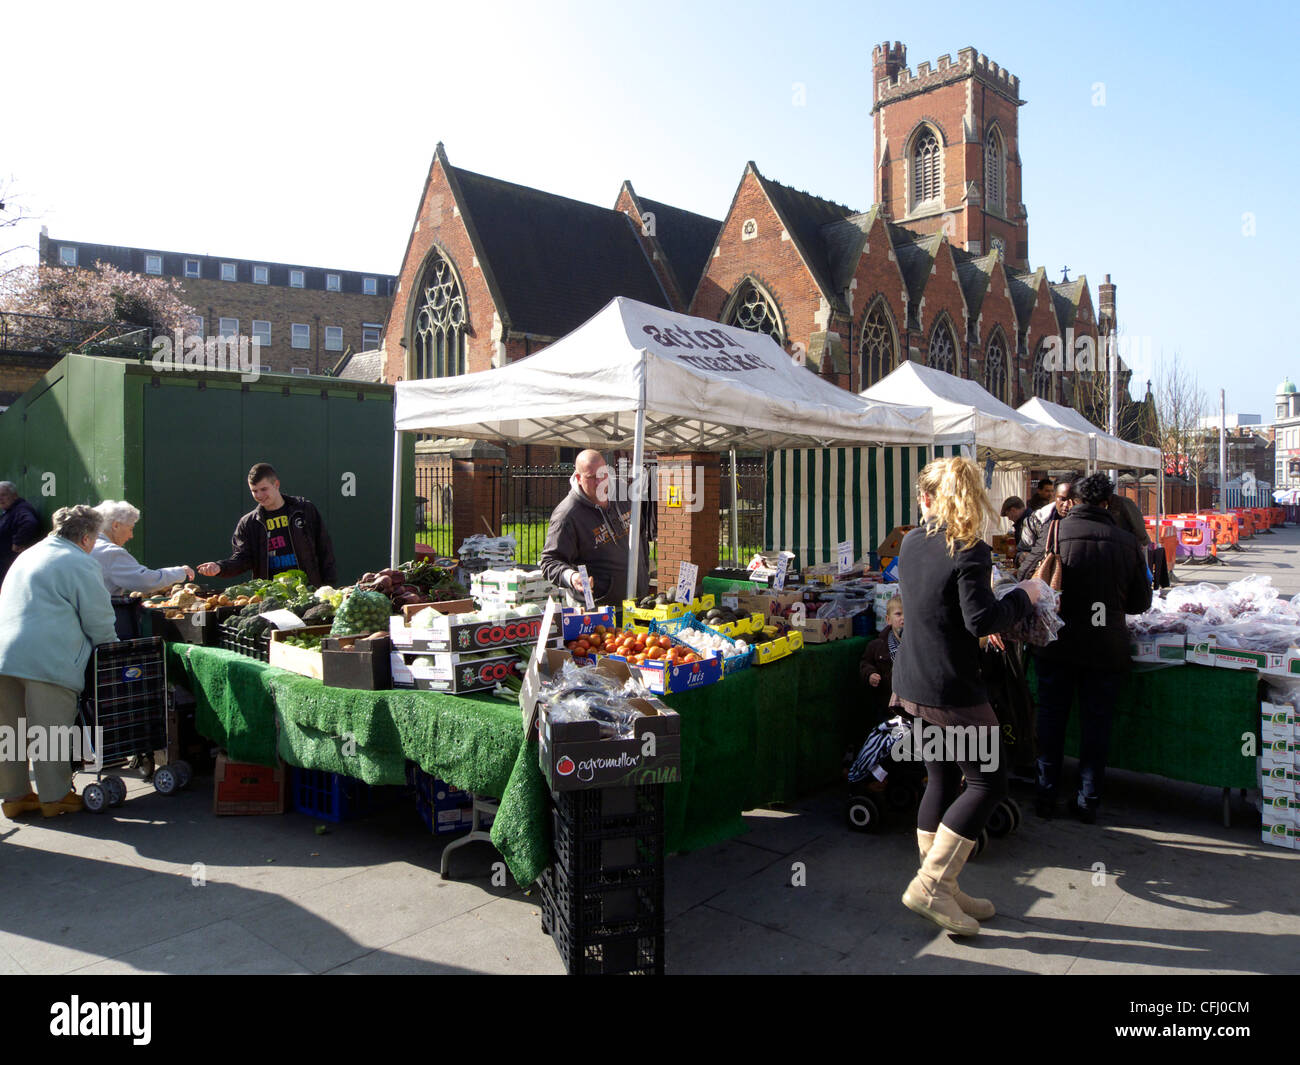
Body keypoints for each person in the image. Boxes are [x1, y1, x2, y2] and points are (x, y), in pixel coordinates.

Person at [891, 457, 1040, 937]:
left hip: (913, 683)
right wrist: (1025, 595)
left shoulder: (912, 540)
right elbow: (980, 621)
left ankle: (943, 887)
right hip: (951, 689)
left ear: (931, 497)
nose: (919, 500)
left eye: (922, 493)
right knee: (986, 783)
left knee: (939, 779)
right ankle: (934, 883)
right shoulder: (968, 549)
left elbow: (943, 610)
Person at [1033, 472, 1153, 823]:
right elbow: (1139, 602)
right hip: (1105, 650)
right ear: (1107, 504)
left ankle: (1045, 797)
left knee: (1051, 721)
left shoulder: (1055, 532)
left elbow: (1030, 579)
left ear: (1077, 501)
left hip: (1056, 646)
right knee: (1096, 727)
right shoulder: (1127, 542)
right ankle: (1088, 801)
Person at [0, 505, 118, 819]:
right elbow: (98, 618)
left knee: (10, 731)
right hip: (48, 658)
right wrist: (113, 648)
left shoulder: (29, 555)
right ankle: (54, 797)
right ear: (85, 537)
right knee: (49, 730)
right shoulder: (78, 561)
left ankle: (14, 796)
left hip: (5, 655)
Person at [539, 449, 650, 608]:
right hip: (599, 608)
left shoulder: (623, 492)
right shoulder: (567, 515)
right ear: (578, 478)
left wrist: (644, 570)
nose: (599, 483)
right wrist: (571, 577)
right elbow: (549, 561)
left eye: (602, 475)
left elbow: (640, 533)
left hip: (637, 602)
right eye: (591, 478)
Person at [197, 464, 335, 587]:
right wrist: (219, 567)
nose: (259, 495)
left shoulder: (304, 510)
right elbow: (242, 559)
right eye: (254, 491)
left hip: (308, 590)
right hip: (270, 594)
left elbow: (324, 549)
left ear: (276, 484)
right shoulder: (248, 523)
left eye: (264, 489)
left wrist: (328, 587)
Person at [92, 500, 194, 595]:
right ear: (116, 526)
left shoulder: (86, 545)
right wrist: (180, 572)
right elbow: (145, 582)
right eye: (131, 529)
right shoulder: (110, 552)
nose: (131, 536)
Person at [1016, 478, 1077, 579]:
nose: (1066, 505)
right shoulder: (1036, 520)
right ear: (1055, 497)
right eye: (1062, 499)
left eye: (1072, 500)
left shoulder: (1086, 525)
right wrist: (1022, 556)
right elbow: (1022, 551)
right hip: (1042, 580)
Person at [860, 595, 903, 722]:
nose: (903, 618)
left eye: (907, 613)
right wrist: (870, 674)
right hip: (886, 704)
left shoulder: (917, 643)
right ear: (888, 619)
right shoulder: (877, 645)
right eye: (898, 614)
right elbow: (865, 663)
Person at [0, 482, 41, 588]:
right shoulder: (10, 511)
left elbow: (30, 523)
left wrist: (18, 542)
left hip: (12, 564)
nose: (1, 499)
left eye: (4, 495)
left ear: (14, 495)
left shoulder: (21, 509)